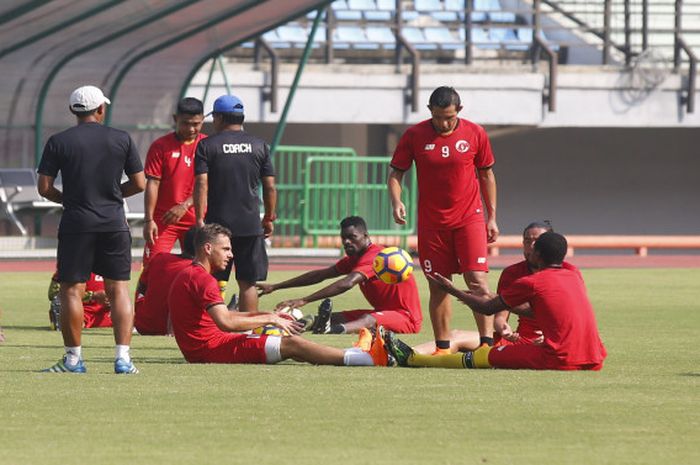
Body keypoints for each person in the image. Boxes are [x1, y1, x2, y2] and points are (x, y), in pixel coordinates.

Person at [168, 223, 392, 367]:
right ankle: (365, 358)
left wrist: (266, 314)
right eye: (226, 249)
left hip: (205, 347)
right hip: (212, 350)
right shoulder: (204, 279)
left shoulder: (188, 273)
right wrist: (271, 318)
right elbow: (225, 322)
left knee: (279, 336)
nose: (231, 255)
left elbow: (221, 316)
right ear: (208, 249)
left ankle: (353, 352)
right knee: (292, 344)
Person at [37, 85, 145, 374]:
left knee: (71, 290)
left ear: (73, 110)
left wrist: (71, 200)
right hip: (113, 222)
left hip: (76, 223)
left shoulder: (58, 141)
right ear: (101, 109)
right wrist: (112, 196)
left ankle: (73, 360)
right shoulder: (121, 139)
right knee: (119, 288)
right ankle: (123, 359)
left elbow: (44, 188)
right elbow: (140, 183)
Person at [385, 232, 607, 371]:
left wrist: (451, 289)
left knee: (484, 355)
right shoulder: (574, 274)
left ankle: (413, 359)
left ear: (537, 255)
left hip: (558, 358)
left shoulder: (533, 281)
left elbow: (487, 308)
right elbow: (552, 311)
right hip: (594, 357)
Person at [387, 86, 498, 354]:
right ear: (429, 112)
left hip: (469, 219)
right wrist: (396, 202)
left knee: (477, 281)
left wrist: (492, 216)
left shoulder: (475, 133)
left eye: (448, 117)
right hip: (432, 223)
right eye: (437, 117)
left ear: (458, 111)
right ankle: (442, 348)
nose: (443, 123)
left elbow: (486, 176)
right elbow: (396, 173)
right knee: (438, 284)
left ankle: (487, 344)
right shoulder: (414, 135)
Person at [411, 220, 572, 354]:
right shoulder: (512, 273)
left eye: (537, 241)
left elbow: (571, 318)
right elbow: (500, 313)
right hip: (520, 341)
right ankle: (404, 353)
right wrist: (502, 327)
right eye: (527, 241)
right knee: (456, 335)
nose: (531, 246)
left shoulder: (568, 274)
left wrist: (549, 336)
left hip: (553, 343)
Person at [256, 216, 422, 335]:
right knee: (333, 317)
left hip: (406, 318)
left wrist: (304, 300)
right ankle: (283, 326)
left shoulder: (376, 257)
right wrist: (275, 286)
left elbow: (347, 283)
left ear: (365, 236)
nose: (346, 242)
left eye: (352, 237)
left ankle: (332, 331)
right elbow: (320, 275)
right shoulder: (354, 258)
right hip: (383, 311)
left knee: (367, 319)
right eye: (344, 238)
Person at [193, 94, 276, 311]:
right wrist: (269, 217)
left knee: (208, 280)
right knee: (247, 283)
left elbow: (202, 184)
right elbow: (269, 187)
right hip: (250, 224)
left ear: (219, 118)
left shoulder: (206, 146)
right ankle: (248, 333)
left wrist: (200, 219)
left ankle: (206, 327)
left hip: (216, 227)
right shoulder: (260, 146)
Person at [142, 97, 205, 266]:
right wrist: (148, 220)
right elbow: (152, 183)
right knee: (152, 268)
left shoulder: (207, 145)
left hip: (196, 220)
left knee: (200, 271)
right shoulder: (160, 146)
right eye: (186, 123)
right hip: (163, 220)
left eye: (196, 123)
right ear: (175, 119)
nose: (191, 128)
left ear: (203, 120)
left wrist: (184, 205)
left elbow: (210, 184)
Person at [134, 227, 196, 336]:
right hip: (175, 329)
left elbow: (141, 287)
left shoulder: (159, 258)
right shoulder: (198, 270)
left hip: (143, 325)